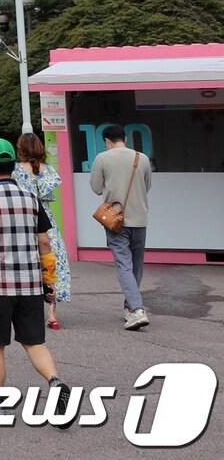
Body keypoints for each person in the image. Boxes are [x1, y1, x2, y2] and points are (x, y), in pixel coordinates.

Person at [0, 139, 72, 415]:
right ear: (13, 166)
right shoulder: (31, 200)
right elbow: (45, 244)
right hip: (30, 284)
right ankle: (55, 380)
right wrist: (49, 281)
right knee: (34, 342)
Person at [89, 124, 152, 330]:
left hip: (115, 220)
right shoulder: (141, 158)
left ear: (106, 141)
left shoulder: (102, 158)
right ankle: (130, 308)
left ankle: (136, 309)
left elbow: (96, 188)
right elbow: (147, 186)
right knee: (136, 265)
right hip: (139, 218)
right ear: (125, 138)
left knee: (124, 265)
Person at [13, 133, 71, 329]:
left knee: (27, 264)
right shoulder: (49, 170)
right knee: (52, 263)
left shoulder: (17, 171)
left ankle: (28, 309)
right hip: (46, 221)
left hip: (24, 220)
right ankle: (52, 313)